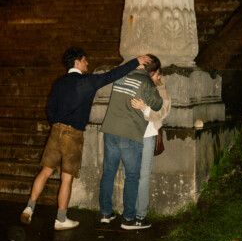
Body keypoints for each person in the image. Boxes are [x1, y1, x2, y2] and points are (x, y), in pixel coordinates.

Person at [20, 48, 151, 231]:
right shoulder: (87, 82)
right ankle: (61, 218)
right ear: (77, 62)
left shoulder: (58, 83)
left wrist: (57, 123)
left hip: (56, 130)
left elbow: (50, 109)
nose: (87, 63)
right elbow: (112, 75)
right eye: (85, 60)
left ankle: (29, 207)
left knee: (45, 171)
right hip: (72, 134)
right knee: (66, 179)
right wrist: (135, 61)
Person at [99, 55, 163, 230]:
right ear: (152, 72)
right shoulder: (146, 82)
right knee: (133, 177)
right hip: (129, 134)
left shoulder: (121, 75)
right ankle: (128, 219)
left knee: (109, 173)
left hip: (110, 131)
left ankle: (105, 213)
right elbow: (158, 104)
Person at [131, 68, 171, 224]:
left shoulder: (161, 90)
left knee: (143, 175)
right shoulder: (138, 84)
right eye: (148, 73)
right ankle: (130, 210)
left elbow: (163, 112)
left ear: (159, 75)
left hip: (147, 136)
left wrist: (144, 108)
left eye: (153, 73)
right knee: (130, 174)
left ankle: (140, 213)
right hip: (132, 134)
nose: (149, 76)